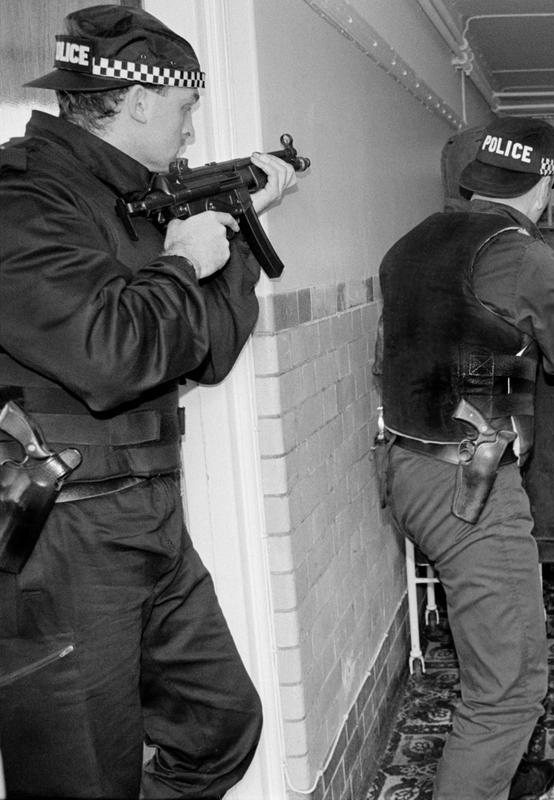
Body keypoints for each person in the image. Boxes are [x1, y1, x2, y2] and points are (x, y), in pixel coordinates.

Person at [0, 5, 297, 798]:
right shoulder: (24, 197)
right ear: (137, 99)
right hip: (65, 533)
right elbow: (111, 355)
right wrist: (178, 265)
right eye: (184, 107)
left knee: (220, 725)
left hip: (147, 513)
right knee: (82, 778)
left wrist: (229, 229)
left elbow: (207, 354)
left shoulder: (134, 201)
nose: (190, 129)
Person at [376, 116, 554, 799]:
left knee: (496, 641)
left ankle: (502, 773)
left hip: (410, 469)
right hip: (470, 488)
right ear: (544, 182)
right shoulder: (519, 254)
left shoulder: (410, 245)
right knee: (509, 684)